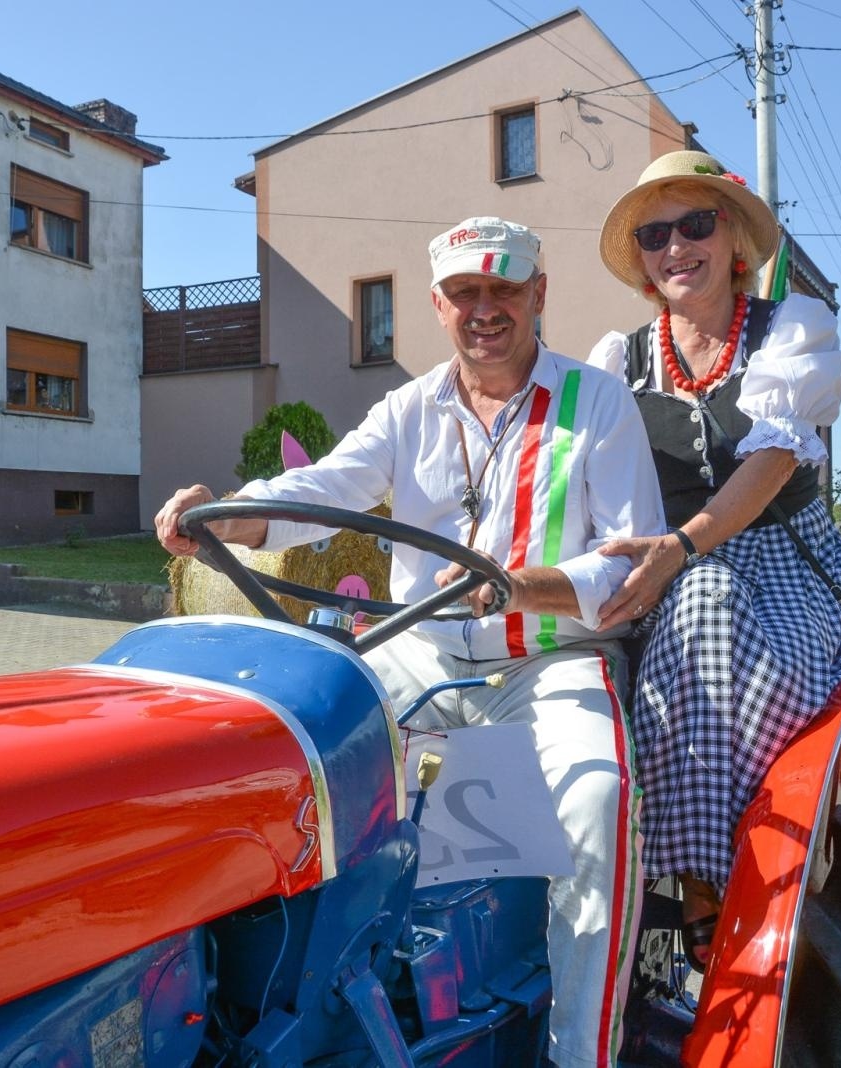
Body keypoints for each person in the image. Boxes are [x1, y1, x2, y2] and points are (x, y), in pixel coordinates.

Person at [155, 216, 666, 1068]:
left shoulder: (597, 402)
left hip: (550, 661)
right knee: (287, 755)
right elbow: (323, 486)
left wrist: (517, 585)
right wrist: (231, 512)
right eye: (466, 292)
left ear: (539, 294)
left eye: (505, 288)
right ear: (437, 305)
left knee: (598, 803)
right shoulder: (410, 406)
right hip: (422, 653)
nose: (486, 308)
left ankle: (580, 1050)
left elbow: (628, 567)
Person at [582, 149, 841, 973]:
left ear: (734, 238)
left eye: (696, 223)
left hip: (777, 567)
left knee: (707, 607)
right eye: (655, 232)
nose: (676, 246)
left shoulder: (791, 328)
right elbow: (576, 479)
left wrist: (686, 547)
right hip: (654, 567)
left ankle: (715, 896)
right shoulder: (615, 360)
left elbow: (773, 461)